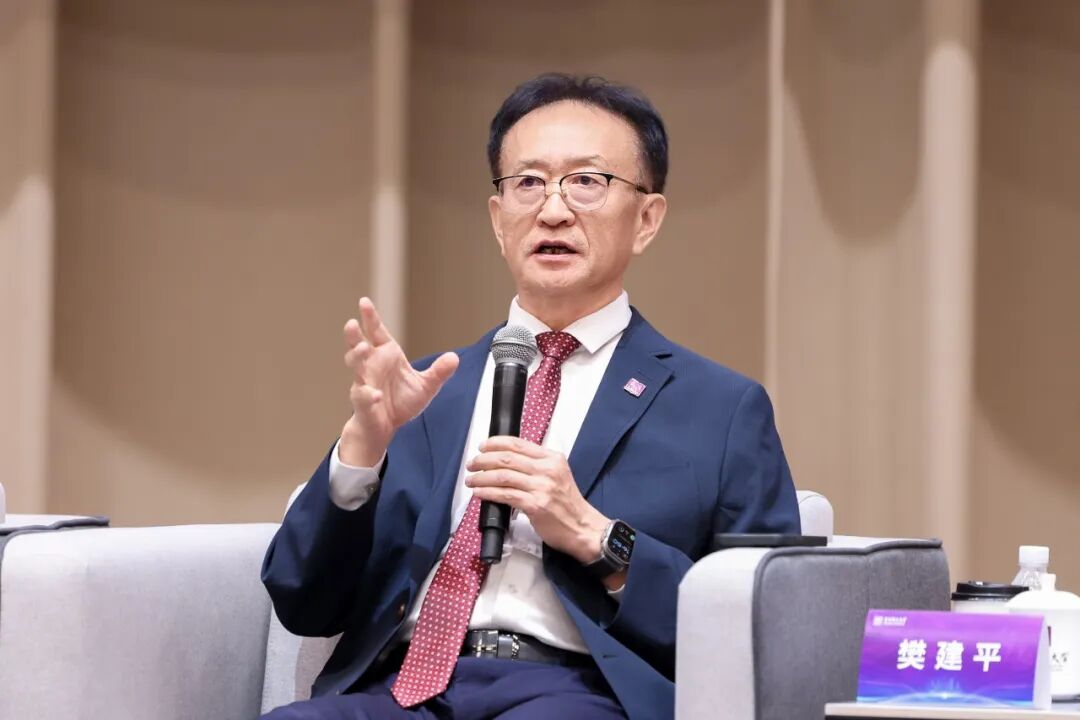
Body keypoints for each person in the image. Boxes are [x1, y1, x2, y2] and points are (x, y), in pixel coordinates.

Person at [260, 73, 800, 720]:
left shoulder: (722, 409)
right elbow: (302, 603)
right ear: (498, 220)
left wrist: (597, 537)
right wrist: (360, 453)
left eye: (587, 181)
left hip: (577, 694)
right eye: (528, 183)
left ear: (647, 219)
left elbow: (765, 629)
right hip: (401, 693)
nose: (553, 210)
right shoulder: (425, 392)